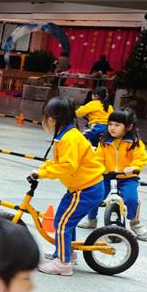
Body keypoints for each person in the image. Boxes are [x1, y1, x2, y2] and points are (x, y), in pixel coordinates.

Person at [29, 97, 105, 275]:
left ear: (52, 119)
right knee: (63, 220)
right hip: (81, 187)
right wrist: (44, 168)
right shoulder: (66, 134)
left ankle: (63, 264)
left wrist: (43, 174)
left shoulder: (69, 138)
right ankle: (67, 253)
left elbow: (67, 166)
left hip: (86, 189)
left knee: (63, 223)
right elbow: (60, 162)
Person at [79, 108, 147, 240]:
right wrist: (97, 169)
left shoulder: (134, 143)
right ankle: (91, 219)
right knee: (95, 195)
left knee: (131, 199)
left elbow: (141, 158)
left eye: (117, 125)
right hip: (107, 176)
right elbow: (98, 159)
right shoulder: (104, 142)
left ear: (128, 127)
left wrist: (134, 167)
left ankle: (135, 222)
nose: (112, 128)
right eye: (110, 124)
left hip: (127, 177)